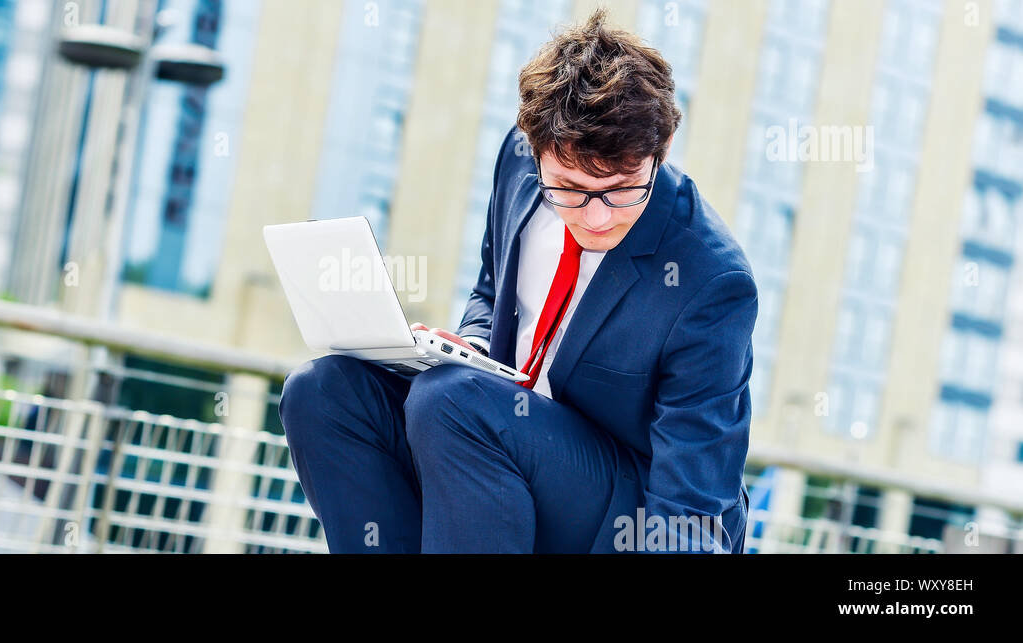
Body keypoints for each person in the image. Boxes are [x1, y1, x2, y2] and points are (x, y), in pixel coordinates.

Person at [279, 8, 757, 553]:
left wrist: (466, 390)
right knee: (322, 391)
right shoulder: (516, 160)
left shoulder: (712, 280)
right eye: (569, 189)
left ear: (662, 152)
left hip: (627, 512)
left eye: (624, 189)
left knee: (450, 401)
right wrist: (472, 349)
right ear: (534, 151)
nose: (596, 218)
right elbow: (491, 290)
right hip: (493, 454)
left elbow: (694, 503)